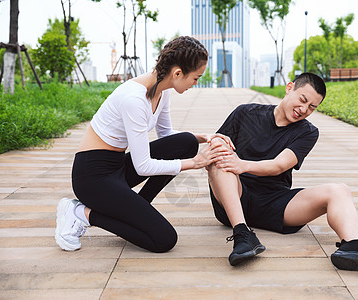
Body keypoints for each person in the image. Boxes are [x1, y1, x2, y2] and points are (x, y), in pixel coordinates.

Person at [207, 72, 358, 275]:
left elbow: (279, 165)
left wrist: (243, 164)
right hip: (234, 198)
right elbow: (218, 142)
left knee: (339, 190)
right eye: (302, 100)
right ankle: (243, 234)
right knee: (219, 163)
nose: (304, 110)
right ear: (289, 88)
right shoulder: (245, 113)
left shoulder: (307, 132)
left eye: (312, 107)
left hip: (276, 203)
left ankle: (354, 245)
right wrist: (219, 146)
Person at [55, 36, 232, 253]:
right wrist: (195, 163)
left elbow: (167, 136)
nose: (195, 84)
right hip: (93, 179)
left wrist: (204, 137)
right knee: (164, 239)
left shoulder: (161, 90)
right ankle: (80, 213)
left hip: (117, 166)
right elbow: (143, 166)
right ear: (177, 73)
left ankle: (136, 210)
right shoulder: (134, 99)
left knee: (186, 142)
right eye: (195, 78)